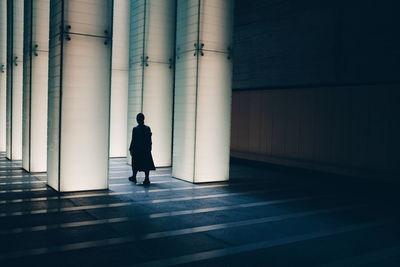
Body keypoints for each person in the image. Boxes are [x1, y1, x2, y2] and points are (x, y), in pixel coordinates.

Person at [128, 113, 155, 185]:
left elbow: (133, 140)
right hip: (146, 149)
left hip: (138, 150)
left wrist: (131, 149)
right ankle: (147, 178)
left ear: (137, 120)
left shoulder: (135, 129)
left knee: (135, 163)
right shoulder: (147, 128)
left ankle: (134, 176)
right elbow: (149, 139)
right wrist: (150, 147)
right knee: (146, 164)